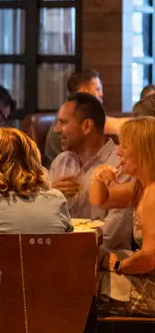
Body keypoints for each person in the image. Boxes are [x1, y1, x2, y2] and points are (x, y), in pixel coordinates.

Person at [0, 127, 72, 265]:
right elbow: (67, 255)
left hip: (0, 286)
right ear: (33, 160)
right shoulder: (57, 199)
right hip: (54, 285)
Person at [50, 92, 133, 252]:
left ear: (87, 126)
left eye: (63, 122)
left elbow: (115, 233)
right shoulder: (61, 161)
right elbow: (47, 222)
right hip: (62, 254)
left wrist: (76, 252)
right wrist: (50, 195)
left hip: (106, 259)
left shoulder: (122, 163)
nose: (56, 129)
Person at [90, 117, 155, 315]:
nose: (118, 152)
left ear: (143, 151)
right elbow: (101, 199)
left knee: (84, 287)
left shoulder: (153, 195)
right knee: (91, 261)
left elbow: (151, 257)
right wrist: (98, 178)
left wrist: (117, 265)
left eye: (125, 146)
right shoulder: (141, 186)